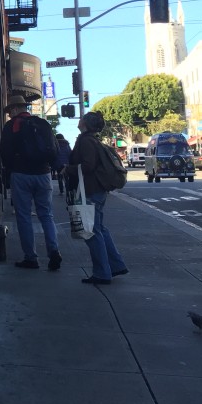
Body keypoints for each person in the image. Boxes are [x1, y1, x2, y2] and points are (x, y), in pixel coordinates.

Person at [0, 95, 63, 270]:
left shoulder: (11, 126)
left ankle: (31, 257)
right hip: (43, 174)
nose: (9, 114)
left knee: (24, 216)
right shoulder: (42, 124)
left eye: (10, 111)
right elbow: (54, 149)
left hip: (21, 174)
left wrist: (11, 168)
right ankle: (54, 251)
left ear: (13, 109)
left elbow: (4, 152)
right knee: (46, 215)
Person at [70, 111, 128, 285]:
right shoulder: (93, 140)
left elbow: (88, 166)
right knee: (99, 229)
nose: (79, 120)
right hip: (97, 190)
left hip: (90, 190)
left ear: (85, 124)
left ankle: (102, 272)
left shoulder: (86, 141)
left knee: (92, 232)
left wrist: (69, 168)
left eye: (82, 119)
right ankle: (115, 265)